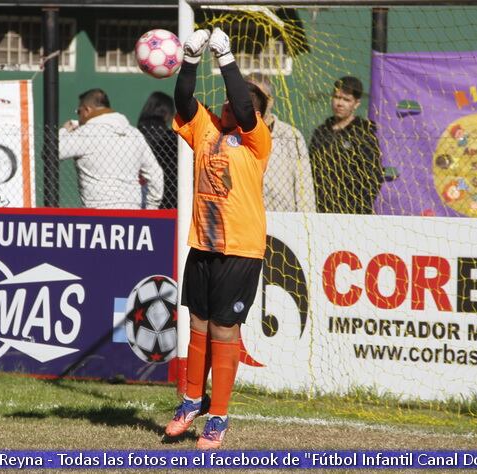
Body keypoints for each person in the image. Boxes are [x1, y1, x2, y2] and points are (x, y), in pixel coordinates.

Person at [165, 27, 271, 450]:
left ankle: (218, 418)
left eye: (239, 101)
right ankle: (191, 401)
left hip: (240, 249)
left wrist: (226, 59)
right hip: (204, 245)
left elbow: (245, 106)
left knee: (226, 331)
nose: (229, 102)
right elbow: (183, 102)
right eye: (227, 98)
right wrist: (190, 60)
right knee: (198, 324)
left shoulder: (256, 140)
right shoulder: (206, 129)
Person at [59, 88, 164, 209]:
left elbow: (51, 152)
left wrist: (64, 131)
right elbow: (156, 174)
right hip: (132, 215)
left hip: (97, 215)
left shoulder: (85, 133)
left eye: (79, 111)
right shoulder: (133, 134)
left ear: (87, 110)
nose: (79, 115)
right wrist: (151, 209)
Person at [308, 76, 383, 214]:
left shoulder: (363, 134)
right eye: (337, 97)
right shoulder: (321, 132)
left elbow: (373, 177)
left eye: (346, 100)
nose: (339, 103)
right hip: (320, 209)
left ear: (356, 104)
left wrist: (359, 208)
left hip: (353, 211)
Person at [245, 73, 316, 212]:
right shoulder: (233, 135)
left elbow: (304, 186)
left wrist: (306, 223)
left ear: (270, 101)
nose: (252, 102)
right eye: (247, 96)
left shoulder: (291, 136)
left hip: (283, 222)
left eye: (258, 97)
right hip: (246, 219)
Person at [137, 92, 178, 209]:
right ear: (166, 112)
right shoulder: (168, 137)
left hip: (137, 194)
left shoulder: (137, 132)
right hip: (167, 196)